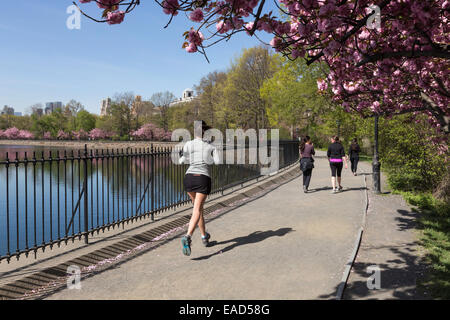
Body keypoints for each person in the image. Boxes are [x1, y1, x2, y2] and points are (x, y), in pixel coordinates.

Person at [179, 120, 220, 256]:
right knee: (197, 209)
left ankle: (204, 237)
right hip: (202, 178)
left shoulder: (188, 144)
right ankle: (188, 236)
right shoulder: (211, 145)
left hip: (189, 178)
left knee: (198, 209)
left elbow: (181, 161)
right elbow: (217, 162)